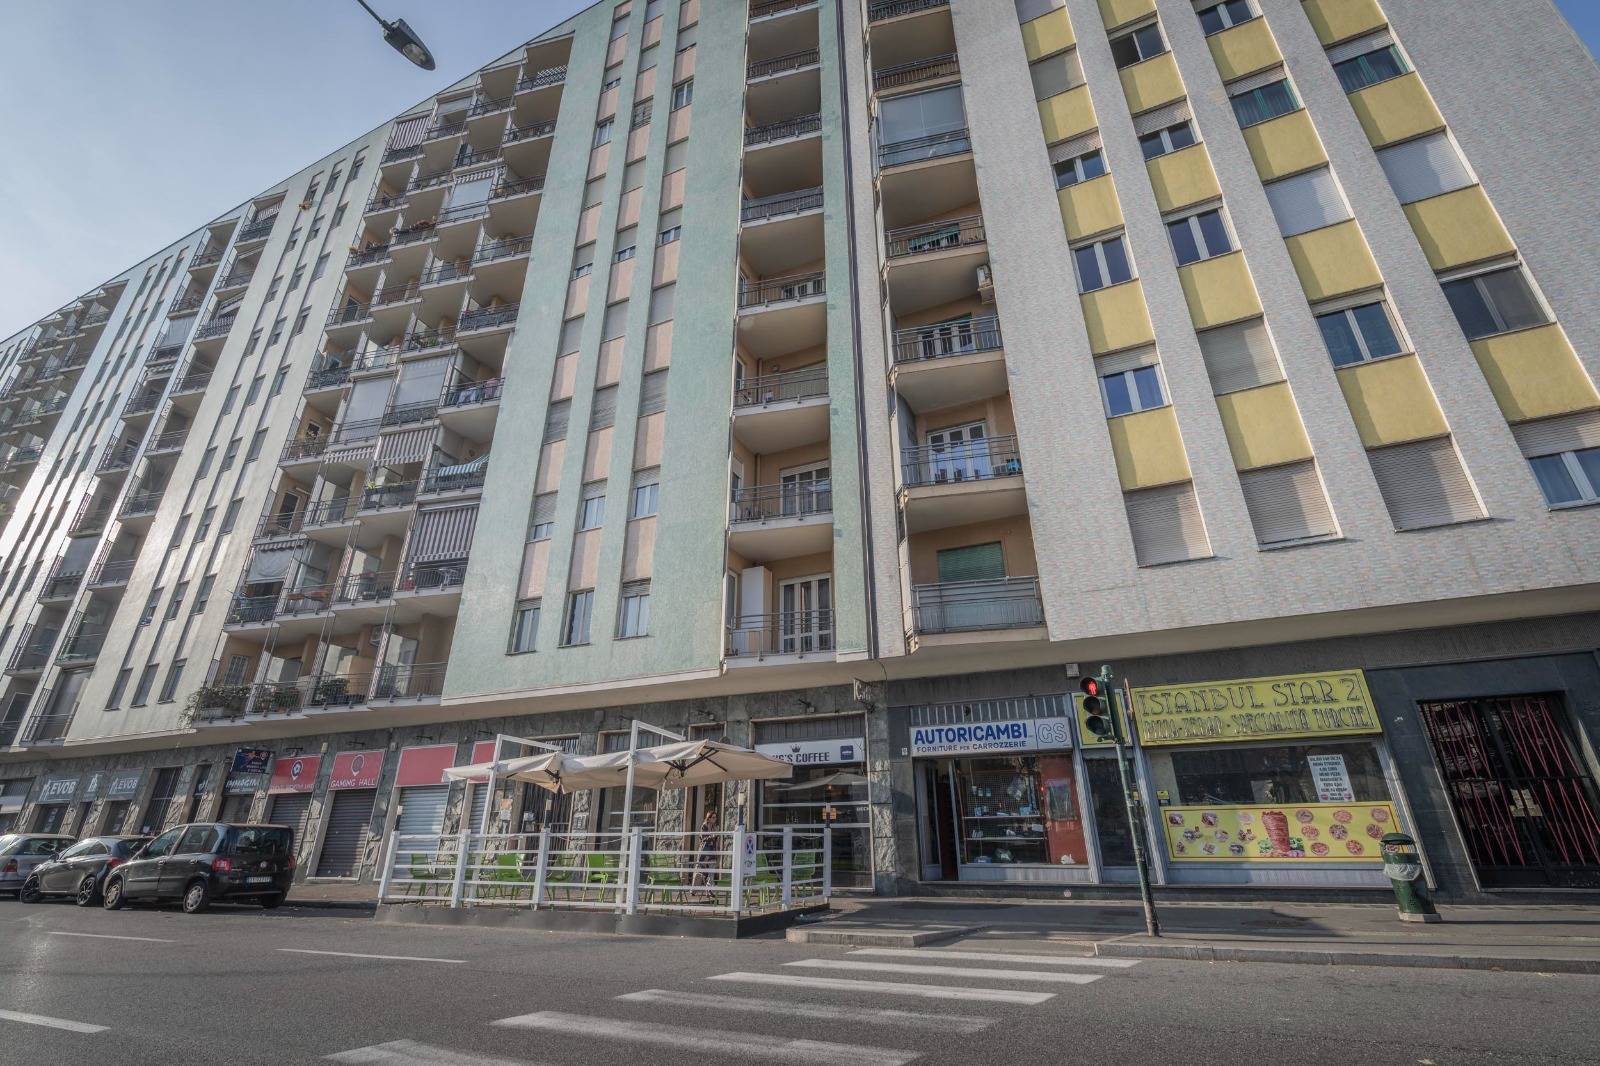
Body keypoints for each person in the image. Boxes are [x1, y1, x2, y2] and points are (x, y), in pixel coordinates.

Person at [691, 809, 719, 902]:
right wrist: (712, 837)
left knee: (712, 870)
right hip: (704, 850)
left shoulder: (715, 827)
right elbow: (703, 838)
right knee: (699, 869)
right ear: (709, 818)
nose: (715, 819)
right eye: (713, 817)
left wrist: (715, 837)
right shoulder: (704, 826)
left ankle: (709, 889)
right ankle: (693, 890)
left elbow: (716, 839)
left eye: (715, 817)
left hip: (712, 850)